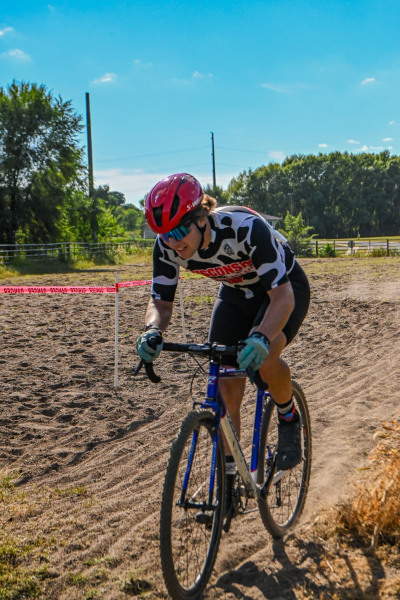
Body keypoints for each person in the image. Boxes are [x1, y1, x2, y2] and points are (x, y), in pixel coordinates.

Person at [136, 173, 310, 510]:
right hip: (235, 293)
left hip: (283, 290)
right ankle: (229, 483)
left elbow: (283, 297)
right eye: (164, 234)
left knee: (264, 360)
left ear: (201, 218)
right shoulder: (167, 246)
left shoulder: (246, 229)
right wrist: (152, 329)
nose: (171, 242)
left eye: (177, 232)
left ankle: (288, 416)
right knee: (226, 387)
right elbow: (160, 303)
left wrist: (261, 336)